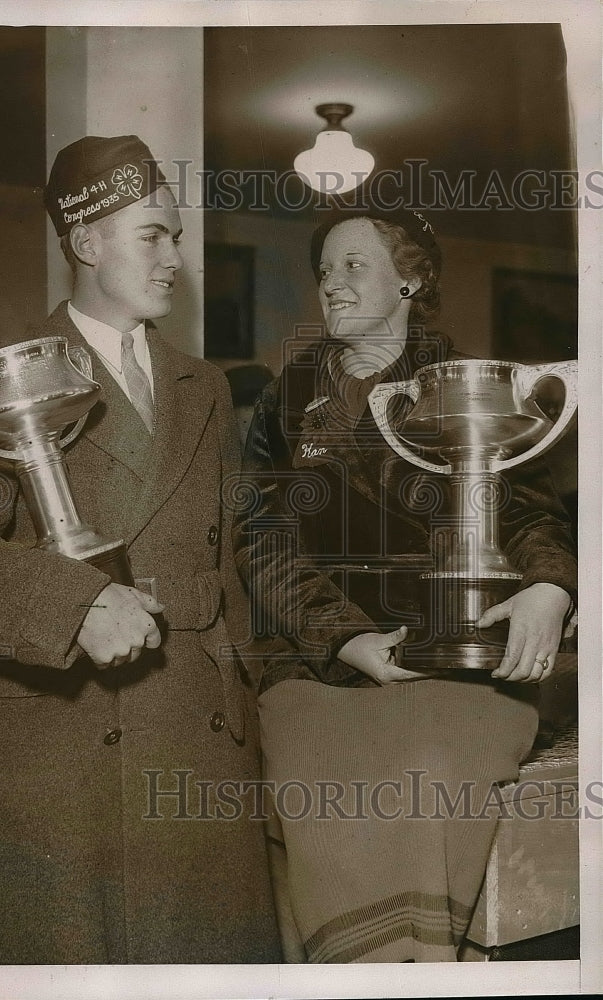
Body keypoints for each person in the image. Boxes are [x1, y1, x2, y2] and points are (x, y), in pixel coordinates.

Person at [0, 135, 280, 965]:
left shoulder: (202, 384)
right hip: (62, 753)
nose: (176, 257)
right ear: (84, 242)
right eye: (153, 235)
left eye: (175, 235)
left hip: (202, 747)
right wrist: (75, 603)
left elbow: (235, 560)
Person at [233, 205, 577, 963]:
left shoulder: (469, 384)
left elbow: (530, 517)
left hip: (457, 659)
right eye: (325, 270)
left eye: (354, 266)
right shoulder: (284, 401)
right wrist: (346, 638)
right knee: (317, 781)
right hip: (321, 666)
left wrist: (550, 589)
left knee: (435, 764)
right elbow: (261, 538)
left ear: (411, 280)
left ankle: (418, 966)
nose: (332, 284)